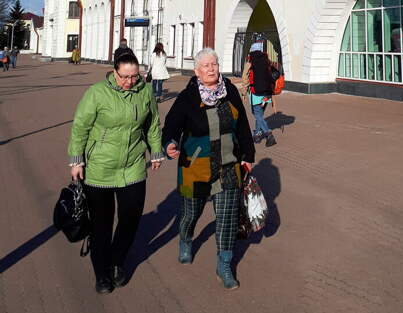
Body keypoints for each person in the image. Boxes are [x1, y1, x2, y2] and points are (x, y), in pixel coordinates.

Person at [67, 52, 164, 294]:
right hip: (99, 167)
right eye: (125, 77)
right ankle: (102, 274)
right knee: (102, 225)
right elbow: (80, 126)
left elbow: (152, 123)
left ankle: (117, 262)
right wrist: (76, 161)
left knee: (131, 217)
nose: (130, 82)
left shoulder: (145, 91)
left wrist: (156, 151)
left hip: (132, 166)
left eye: (135, 76)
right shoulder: (97, 93)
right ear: (114, 72)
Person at [162, 48, 255, 290]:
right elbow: (171, 127)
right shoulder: (187, 97)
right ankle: (185, 238)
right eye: (206, 66)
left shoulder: (230, 91)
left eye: (214, 64)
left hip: (227, 165)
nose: (211, 69)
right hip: (195, 168)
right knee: (190, 214)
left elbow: (243, 125)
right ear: (197, 71)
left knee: (227, 218)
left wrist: (248, 155)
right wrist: (170, 144)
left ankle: (224, 264)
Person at [243, 40, 277, 147]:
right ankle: (257, 135)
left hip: (255, 93)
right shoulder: (267, 61)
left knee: (257, 114)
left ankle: (268, 134)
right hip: (267, 94)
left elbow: (245, 79)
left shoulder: (249, 63)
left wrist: (244, 93)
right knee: (260, 114)